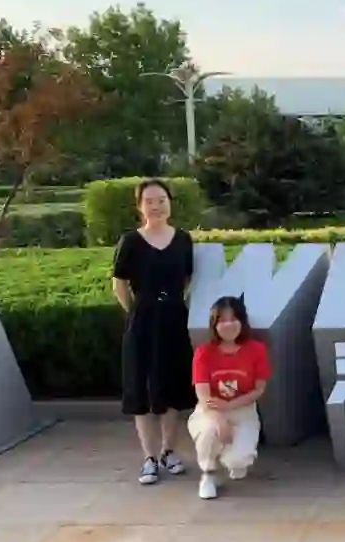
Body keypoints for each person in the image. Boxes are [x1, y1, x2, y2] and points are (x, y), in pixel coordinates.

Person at [112, 179, 197, 485]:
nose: (156, 206)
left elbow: (187, 278)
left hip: (174, 318)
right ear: (140, 207)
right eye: (149, 201)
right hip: (142, 321)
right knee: (142, 388)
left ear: (170, 202)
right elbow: (119, 283)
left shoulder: (183, 239)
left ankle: (168, 451)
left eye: (161, 200)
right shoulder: (131, 241)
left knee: (172, 386)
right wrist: (134, 311)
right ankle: (149, 457)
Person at [189, 296, 269, 500]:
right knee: (209, 432)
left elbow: (259, 389)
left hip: (243, 409)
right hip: (211, 408)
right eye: (222, 320)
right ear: (214, 324)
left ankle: (233, 457)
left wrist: (231, 404)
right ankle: (208, 474)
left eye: (234, 319)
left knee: (238, 462)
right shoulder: (204, 353)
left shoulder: (256, 350)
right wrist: (218, 419)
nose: (229, 325)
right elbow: (203, 394)